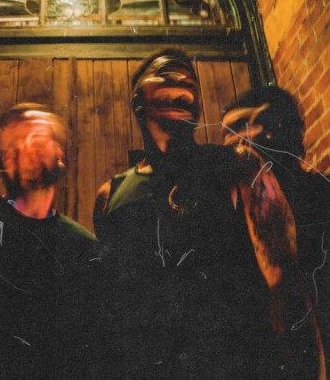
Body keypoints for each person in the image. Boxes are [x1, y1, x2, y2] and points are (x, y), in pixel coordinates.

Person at [93, 50, 324, 378]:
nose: (182, 80)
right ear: (138, 100)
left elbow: (284, 281)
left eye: (190, 80)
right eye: (166, 74)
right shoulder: (109, 195)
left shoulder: (238, 164)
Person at [0, 103, 101, 379]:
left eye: (35, 139)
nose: (22, 149)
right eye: (11, 146)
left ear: (59, 154)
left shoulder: (84, 249)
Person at [222, 85, 330, 368]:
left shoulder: (321, 196)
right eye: (227, 132)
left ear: (281, 128)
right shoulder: (225, 216)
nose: (233, 142)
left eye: (244, 126)